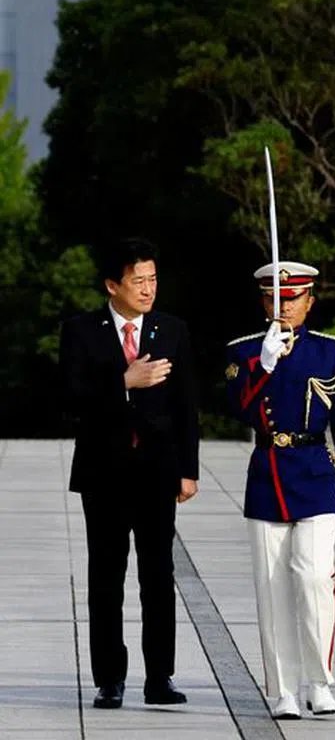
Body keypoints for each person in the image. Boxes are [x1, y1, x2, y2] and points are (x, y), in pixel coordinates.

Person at [59, 238, 199, 709]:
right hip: (104, 473)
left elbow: (186, 407)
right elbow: (70, 401)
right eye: (138, 281)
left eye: (153, 279)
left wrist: (188, 471)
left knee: (158, 576)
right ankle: (109, 679)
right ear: (112, 285)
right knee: (106, 576)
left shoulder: (171, 329)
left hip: (157, 472)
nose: (148, 289)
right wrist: (122, 382)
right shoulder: (81, 331)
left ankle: (160, 677)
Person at [225, 261, 335, 719]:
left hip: (315, 477)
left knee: (312, 580)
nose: (282, 307)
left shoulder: (330, 354)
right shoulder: (244, 353)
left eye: (291, 299)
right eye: (272, 299)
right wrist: (263, 365)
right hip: (267, 477)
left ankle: (319, 681)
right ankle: (284, 689)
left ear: (310, 301)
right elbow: (240, 411)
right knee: (271, 588)